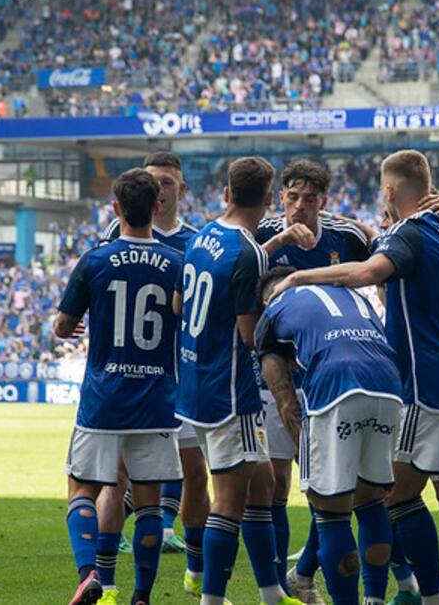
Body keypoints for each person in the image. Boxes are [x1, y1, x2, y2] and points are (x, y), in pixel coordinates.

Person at [269, 150, 439, 605]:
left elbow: (367, 272)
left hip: (431, 384)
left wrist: (300, 277)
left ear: (390, 192)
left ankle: (431, 597)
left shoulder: (407, 233)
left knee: (392, 496)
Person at [174, 157, 302, 605]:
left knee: (263, 482)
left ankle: (271, 593)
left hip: (193, 381)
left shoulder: (203, 235)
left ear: (227, 193)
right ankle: (211, 599)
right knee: (229, 499)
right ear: (270, 200)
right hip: (228, 391)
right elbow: (251, 335)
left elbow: (177, 305)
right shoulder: (247, 254)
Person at [54, 169, 185, 605]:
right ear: (157, 207)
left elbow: (63, 324)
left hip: (105, 397)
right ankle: (142, 596)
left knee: (82, 488)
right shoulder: (175, 264)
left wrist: (69, 326)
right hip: (156, 398)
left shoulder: (95, 259)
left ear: (116, 209)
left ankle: (89, 573)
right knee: (148, 501)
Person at [254, 159, 373, 603]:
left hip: (332, 374)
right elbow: (238, 276)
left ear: (324, 201)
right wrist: (280, 239)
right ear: (282, 196)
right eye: (292, 196)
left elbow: (387, 265)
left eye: (310, 199)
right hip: (274, 374)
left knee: (336, 484)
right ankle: (283, 585)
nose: (299, 206)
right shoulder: (264, 233)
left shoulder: (349, 236)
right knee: (280, 482)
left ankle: (302, 572)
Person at [256, 267, 402, 605]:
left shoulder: (274, 308)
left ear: (267, 298)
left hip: (337, 388)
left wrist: (301, 443)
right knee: (370, 501)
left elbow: (285, 398)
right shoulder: (350, 294)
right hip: (390, 386)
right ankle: (376, 599)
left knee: (330, 513)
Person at [99, 152, 206, 572]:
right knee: (123, 471)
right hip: (133, 375)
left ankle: (190, 561)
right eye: (153, 181)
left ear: (181, 189)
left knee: (195, 472)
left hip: (182, 375)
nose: (159, 188)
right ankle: (113, 548)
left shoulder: (197, 241)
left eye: (167, 182)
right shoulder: (117, 233)